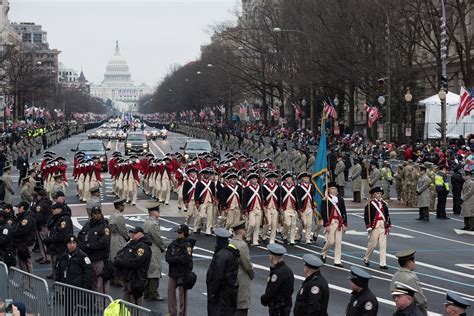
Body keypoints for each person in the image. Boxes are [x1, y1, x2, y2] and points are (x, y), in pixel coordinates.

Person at [114, 226, 152, 305]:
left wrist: (122, 262)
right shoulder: (131, 243)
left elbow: (136, 262)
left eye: (135, 233)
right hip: (128, 277)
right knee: (126, 303)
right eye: (132, 233)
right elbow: (120, 253)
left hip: (137, 278)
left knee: (135, 304)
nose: (132, 235)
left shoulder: (143, 246)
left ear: (141, 233)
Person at [206, 228, 240, 316]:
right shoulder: (231, 253)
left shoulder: (221, 255)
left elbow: (218, 276)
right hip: (229, 294)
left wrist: (212, 292)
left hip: (220, 295)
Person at [77, 206, 111, 294]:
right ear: (91, 215)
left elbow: (104, 243)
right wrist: (81, 245)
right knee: (91, 283)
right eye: (95, 213)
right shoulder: (87, 225)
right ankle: (95, 304)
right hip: (88, 259)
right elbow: (80, 236)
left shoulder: (104, 227)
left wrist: (88, 246)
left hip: (99, 260)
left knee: (101, 285)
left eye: (98, 213)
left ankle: (102, 306)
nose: (97, 215)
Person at [166, 224, 195, 316]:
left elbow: (186, 258)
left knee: (182, 294)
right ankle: (172, 312)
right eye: (177, 232)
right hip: (173, 271)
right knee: (170, 292)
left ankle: (182, 313)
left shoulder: (188, 244)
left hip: (183, 272)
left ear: (185, 233)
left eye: (180, 232)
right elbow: (167, 257)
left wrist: (174, 259)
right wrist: (176, 259)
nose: (178, 234)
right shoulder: (173, 243)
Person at [260, 244, 294, 316]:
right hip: (285, 306)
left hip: (278, 308)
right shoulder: (288, 270)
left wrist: (264, 299)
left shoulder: (277, 273)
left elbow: (272, 290)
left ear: (272, 257)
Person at [390, 249, 427, 315]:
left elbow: (393, 295)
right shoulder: (411, 277)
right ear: (409, 264)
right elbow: (420, 300)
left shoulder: (395, 276)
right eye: (413, 261)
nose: (414, 263)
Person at [320, 182, 347, 267]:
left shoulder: (340, 199)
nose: (334, 190)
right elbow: (323, 212)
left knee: (339, 242)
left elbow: (343, 212)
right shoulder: (326, 199)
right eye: (332, 188)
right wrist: (326, 224)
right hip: (331, 222)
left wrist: (345, 224)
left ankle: (337, 260)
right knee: (331, 241)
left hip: (338, 222)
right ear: (328, 190)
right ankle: (324, 252)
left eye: (335, 188)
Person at [230, 220, 255, 316]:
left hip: (232, 277)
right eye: (244, 229)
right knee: (242, 306)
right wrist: (252, 274)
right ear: (241, 231)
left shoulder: (231, 242)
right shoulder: (242, 245)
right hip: (241, 279)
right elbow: (247, 265)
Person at [363, 187, 391, 269]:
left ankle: (383, 263)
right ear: (374, 194)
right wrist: (368, 226)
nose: (379, 195)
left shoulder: (384, 204)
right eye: (377, 193)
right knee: (373, 245)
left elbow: (387, 215)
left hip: (382, 226)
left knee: (383, 245)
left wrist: (388, 224)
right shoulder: (370, 204)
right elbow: (366, 217)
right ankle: (366, 258)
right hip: (374, 227)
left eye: (380, 193)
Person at [143, 203, 166, 301]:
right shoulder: (153, 224)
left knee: (149, 270)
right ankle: (153, 293)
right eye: (157, 210)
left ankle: (147, 292)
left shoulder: (147, 222)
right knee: (154, 270)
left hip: (148, 248)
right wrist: (163, 247)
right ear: (153, 212)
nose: (158, 212)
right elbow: (157, 238)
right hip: (154, 249)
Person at [43, 203, 73, 279]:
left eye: (54, 208)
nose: (52, 210)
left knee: (60, 269)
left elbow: (62, 235)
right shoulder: (56, 218)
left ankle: (61, 286)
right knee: (55, 267)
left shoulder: (64, 219)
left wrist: (49, 240)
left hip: (60, 248)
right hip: (54, 248)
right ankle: (57, 283)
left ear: (60, 209)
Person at [108, 198, 129, 287]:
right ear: (119, 206)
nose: (123, 207)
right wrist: (127, 237)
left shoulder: (113, 214)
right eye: (122, 205)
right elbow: (123, 229)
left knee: (113, 258)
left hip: (112, 238)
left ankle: (112, 278)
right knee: (119, 259)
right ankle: (118, 279)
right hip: (119, 238)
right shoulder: (119, 216)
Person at [13, 201, 36, 273]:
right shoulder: (23, 216)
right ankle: (26, 282)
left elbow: (23, 231)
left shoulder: (26, 218)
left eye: (19, 207)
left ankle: (29, 282)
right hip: (21, 242)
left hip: (25, 243)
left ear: (23, 208)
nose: (18, 209)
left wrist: (14, 233)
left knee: (26, 264)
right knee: (22, 265)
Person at [242, 173, 263, 246]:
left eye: (256, 179)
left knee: (257, 225)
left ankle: (255, 240)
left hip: (259, 208)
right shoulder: (247, 189)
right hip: (251, 209)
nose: (255, 180)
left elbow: (262, 198)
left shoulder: (260, 188)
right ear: (250, 181)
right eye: (253, 179)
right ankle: (248, 237)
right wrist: (245, 210)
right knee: (251, 224)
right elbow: (244, 200)